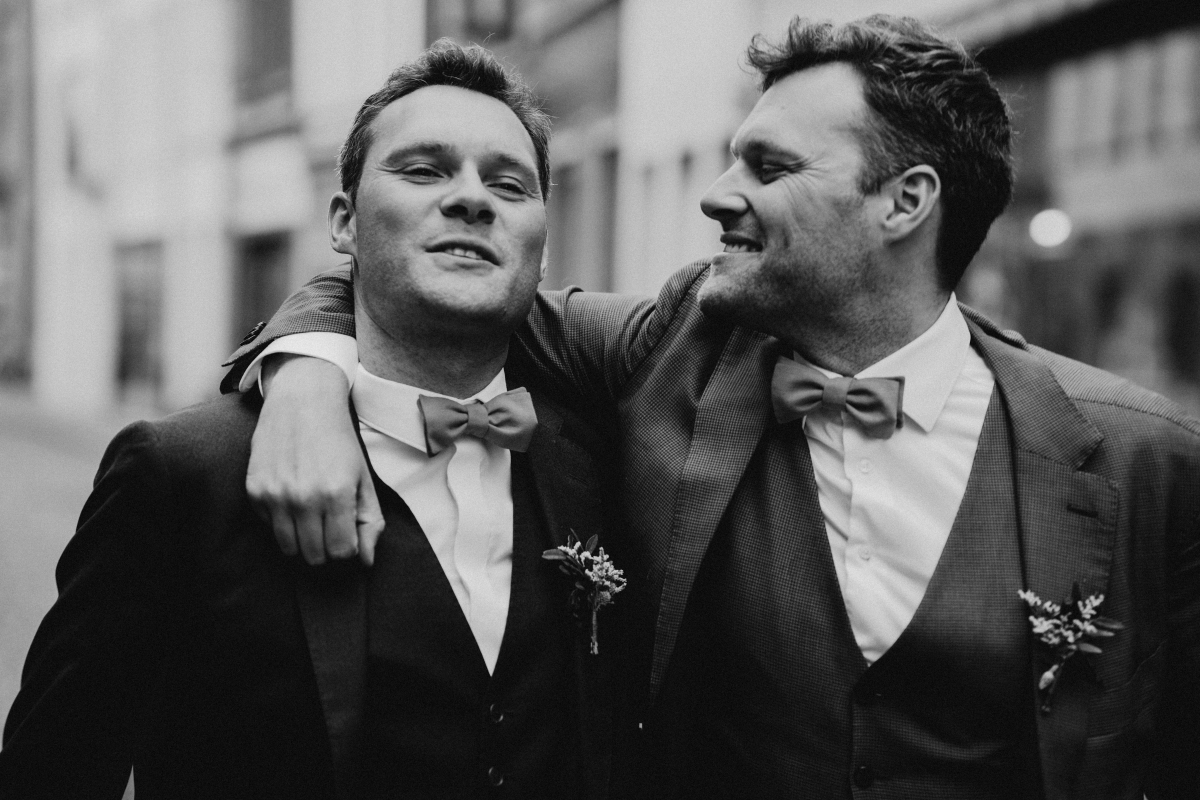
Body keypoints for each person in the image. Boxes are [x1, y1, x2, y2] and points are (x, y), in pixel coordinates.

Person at [224, 15, 1200, 799]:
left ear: (904, 202)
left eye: (769, 168)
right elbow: (432, 276)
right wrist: (308, 369)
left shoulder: (1143, 462)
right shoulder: (672, 345)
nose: (718, 195)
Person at [0, 41, 628, 800]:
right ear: (344, 224)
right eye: (423, 170)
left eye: (508, 184)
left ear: (544, 244)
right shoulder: (179, 477)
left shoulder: (598, 459)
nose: (472, 199)